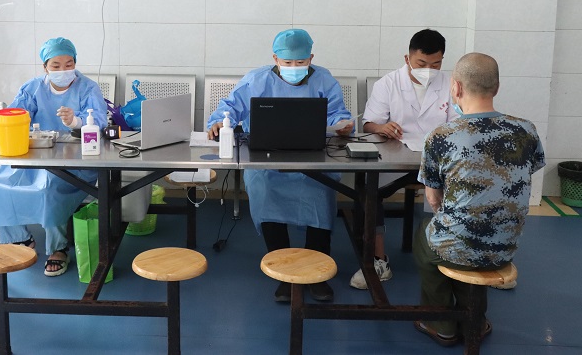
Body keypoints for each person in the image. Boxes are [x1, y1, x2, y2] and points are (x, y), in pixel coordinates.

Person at [206, 29, 353, 303]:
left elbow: (338, 113)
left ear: (311, 58)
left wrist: (343, 124)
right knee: (263, 188)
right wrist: (217, 122)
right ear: (275, 59)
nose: (294, 68)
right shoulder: (256, 80)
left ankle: (317, 273)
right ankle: (283, 271)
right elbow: (229, 108)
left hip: (313, 159)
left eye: (301, 62)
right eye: (287, 63)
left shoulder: (324, 79)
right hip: (266, 160)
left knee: (321, 193)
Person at [413, 53, 544, 347]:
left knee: (426, 240)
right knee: (471, 240)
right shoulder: (527, 130)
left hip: (457, 245)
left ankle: (441, 322)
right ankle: (475, 318)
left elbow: (433, 199)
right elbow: (526, 172)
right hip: (505, 247)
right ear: (496, 87)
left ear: (456, 88)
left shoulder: (441, 136)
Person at [0, 37, 107, 277]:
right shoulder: (32, 88)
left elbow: (100, 121)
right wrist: (10, 120)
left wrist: (76, 121)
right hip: (35, 156)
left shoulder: (88, 88)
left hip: (75, 160)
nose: (63, 70)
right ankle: (19, 239)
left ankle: (58, 249)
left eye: (69, 64)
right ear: (45, 67)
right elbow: (17, 115)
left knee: (50, 188)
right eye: (56, 65)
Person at [351, 29, 458, 289]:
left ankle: (460, 258)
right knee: (371, 191)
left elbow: (459, 124)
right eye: (421, 63)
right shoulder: (388, 83)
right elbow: (369, 124)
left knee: (465, 190)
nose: (428, 70)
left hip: (438, 160)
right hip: (396, 157)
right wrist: (382, 127)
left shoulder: (451, 85)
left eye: (436, 64)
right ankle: (378, 260)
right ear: (407, 58)